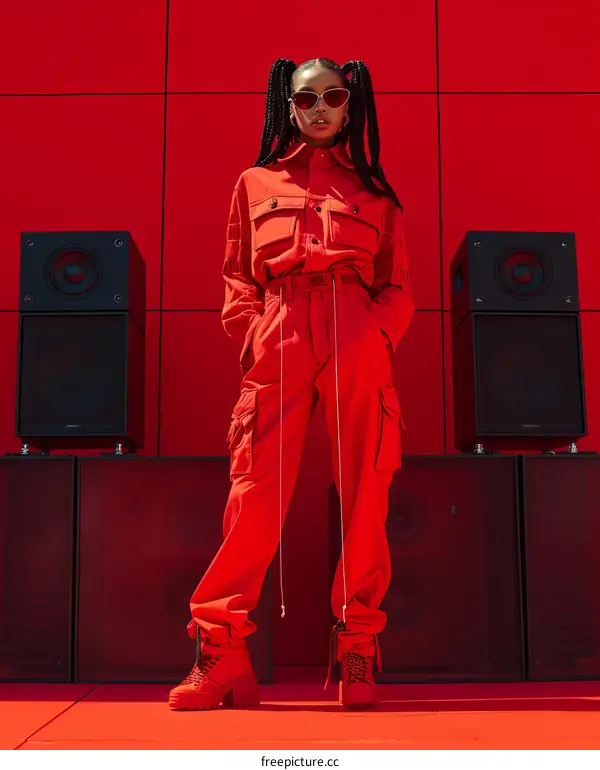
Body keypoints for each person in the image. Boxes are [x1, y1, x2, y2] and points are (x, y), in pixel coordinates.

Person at [169, 57, 414, 712]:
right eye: (307, 99)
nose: (322, 109)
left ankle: (357, 647)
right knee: (254, 490)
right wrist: (253, 334)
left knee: (366, 487)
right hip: (280, 330)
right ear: (288, 105)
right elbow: (236, 276)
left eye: (334, 97)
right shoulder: (254, 182)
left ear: (350, 104)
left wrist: (378, 332)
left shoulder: (375, 192)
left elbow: (398, 283)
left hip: (355, 328)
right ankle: (221, 654)